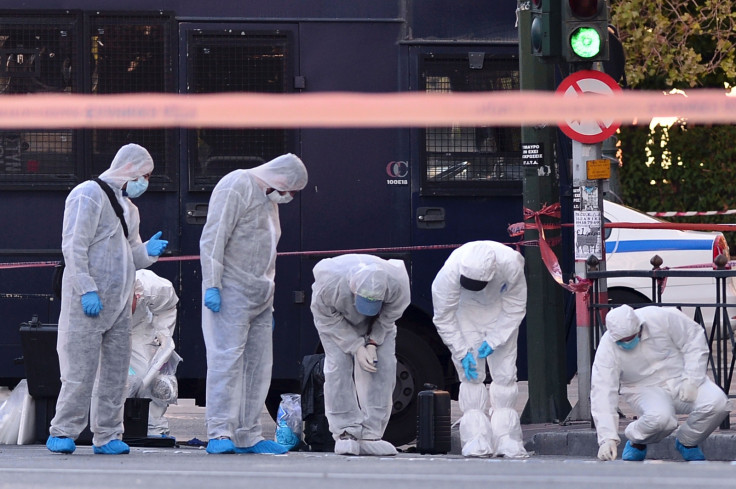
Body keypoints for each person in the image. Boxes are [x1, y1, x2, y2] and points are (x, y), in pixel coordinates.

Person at [47, 143, 169, 455]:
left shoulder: (130, 209)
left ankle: (109, 435)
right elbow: (74, 245)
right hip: (86, 302)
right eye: (144, 175)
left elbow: (131, 257)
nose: (146, 183)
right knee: (79, 373)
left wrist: (147, 253)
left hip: (119, 306)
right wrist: (86, 288)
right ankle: (62, 432)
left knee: (116, 375)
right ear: (129, 169)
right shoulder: (88, 193)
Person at [200, 153, 308, 455]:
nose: (289, 197)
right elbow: (213, 239)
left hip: (259, 297)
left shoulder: (268, 200)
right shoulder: (236, 185)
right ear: (281, 180)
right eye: (291, 190)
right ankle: (220, 432)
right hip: (230, 291)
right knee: (227, 361)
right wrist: (213, 284)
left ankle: (248, 433)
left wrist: (268, 304)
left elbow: (266, 255)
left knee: (258, 366)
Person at [592, 305, 730, 462]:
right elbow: (602, 390)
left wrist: (692, 378)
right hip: (642, 387)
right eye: (622, 341)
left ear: (639, 326)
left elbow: (694, 339)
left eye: (631, 337)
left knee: (718, 403)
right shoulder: (607, 348)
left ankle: (688, 441)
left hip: (680, 377)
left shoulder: (662, 317)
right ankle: (637, 439)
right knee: (661, 420)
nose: (628, 342)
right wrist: (607, 438)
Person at [431, 240, 527, 458]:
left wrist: (495, 339)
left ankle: (507, 438)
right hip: (465, 314)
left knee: (505, 376)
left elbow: (515, 306)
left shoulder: (510, 263)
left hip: (500, 312)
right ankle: (476, 438)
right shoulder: (450, 272)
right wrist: (461, 350)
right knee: (471, 378)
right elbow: (443, 316)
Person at [310, 254, 411, 456]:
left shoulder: (398, 284)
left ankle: (371, 435)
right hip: (338, 323)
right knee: (338, 367)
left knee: (384, 367)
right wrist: (356, 346)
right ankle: (345, 432)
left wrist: (373, 342)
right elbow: (327, 321)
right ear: (353, 290)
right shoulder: (329, 285)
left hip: (380, 325)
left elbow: (389, 316)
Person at [127, 269, 182, 438]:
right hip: (112, 327)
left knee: (147, 373)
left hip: (141, 328)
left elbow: (169, 307)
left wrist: (162, 334)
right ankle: (108, 425)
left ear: (136, 295)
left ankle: (153, 426)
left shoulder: (154, 289)